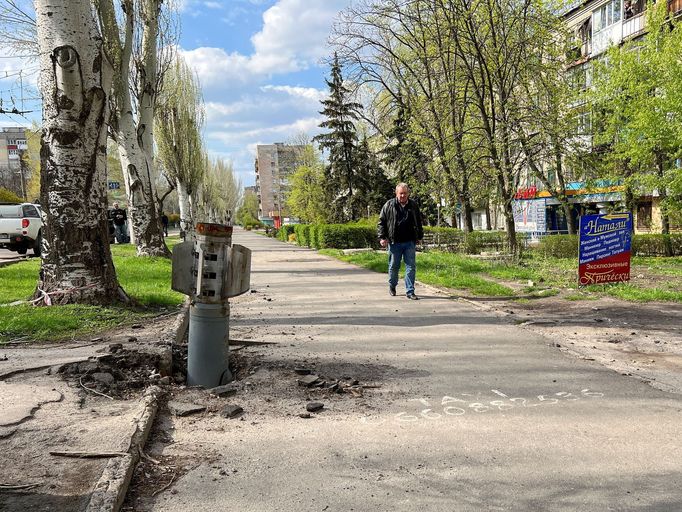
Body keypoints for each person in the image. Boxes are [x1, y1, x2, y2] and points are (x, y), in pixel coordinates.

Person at [377, 182, 424, 300]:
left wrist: (419, 236)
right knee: (394, 266)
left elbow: (418, 221)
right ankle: (392, 285)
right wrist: (382, 237)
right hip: (394, 242)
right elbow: (381, 222)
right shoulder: (389, 205)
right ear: (396, 193)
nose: (403, 196)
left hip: (409, 242)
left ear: (408, 194)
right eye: (400, 193)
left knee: (411, 267)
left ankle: (410, 291)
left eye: (405, 193)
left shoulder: (413, 205)